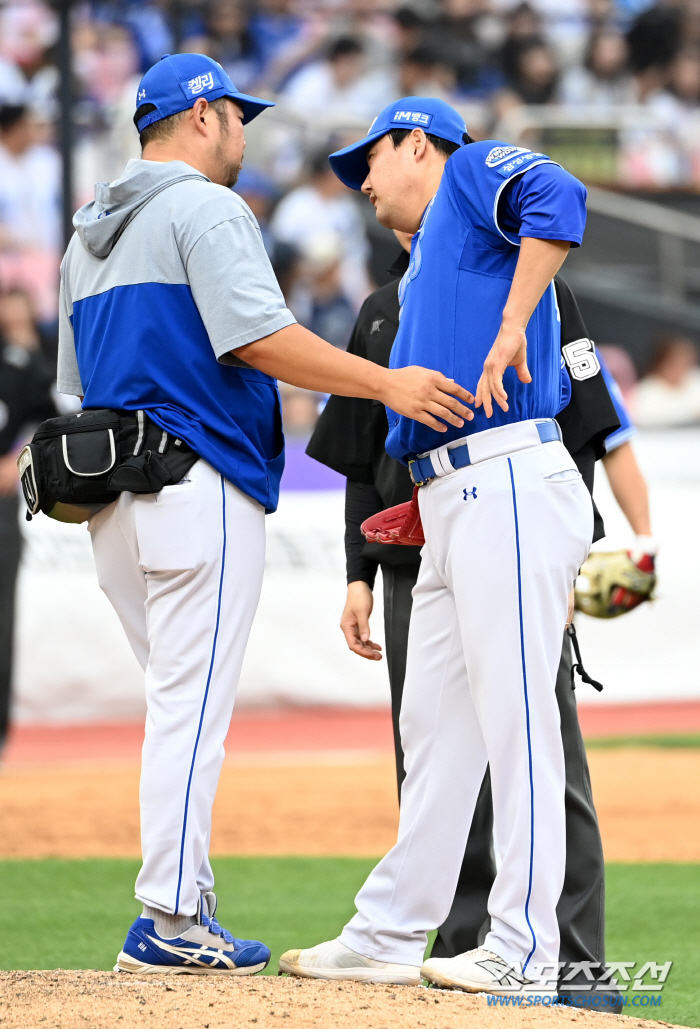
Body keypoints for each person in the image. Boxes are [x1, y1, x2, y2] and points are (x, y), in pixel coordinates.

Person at [57, 55, 473, 977]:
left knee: (177, 707)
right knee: (189, 716)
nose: (245, 134)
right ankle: (168, 917)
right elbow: (258, 338)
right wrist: (382, 380)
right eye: (236, 117)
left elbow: (71, 389)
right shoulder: (208, 208)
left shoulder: (85, 233)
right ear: (200, 116)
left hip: (114, 504)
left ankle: (187, 903)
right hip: (196, 484)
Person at [280, 95, 597, 995]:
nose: (364, 180)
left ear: (417, 142)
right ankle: (390, 930)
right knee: (435, 729)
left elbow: (562, 195)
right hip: (458, 495)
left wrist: (512, 325)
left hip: (507, 476)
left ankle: (528, 947)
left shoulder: (466, 174)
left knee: (517, 719)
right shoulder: (420, 271)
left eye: (371, 159)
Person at [0, 292, 56, 760]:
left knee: (1, 623)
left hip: (0, 514)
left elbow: (60, 415)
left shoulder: (17, 365)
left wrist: (18, 460)